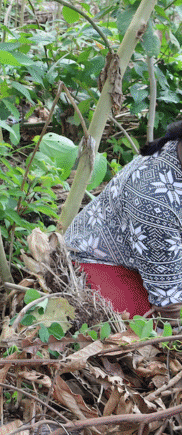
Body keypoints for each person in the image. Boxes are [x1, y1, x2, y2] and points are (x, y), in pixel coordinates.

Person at [65, 120, 182, 321]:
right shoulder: (155, 198)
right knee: (142, 326)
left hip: (151, 257)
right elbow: (170, 306)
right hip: (100, 261)